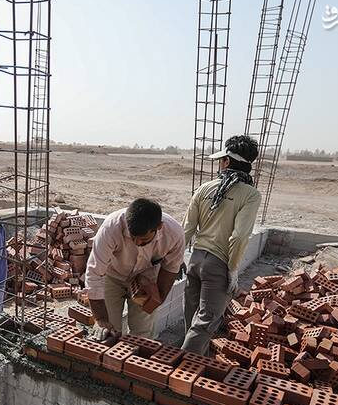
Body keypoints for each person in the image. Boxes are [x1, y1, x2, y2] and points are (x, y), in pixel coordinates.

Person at [181, 135, 261, 355]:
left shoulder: (204, 189)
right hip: (218, 265)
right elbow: (239, 237)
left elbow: (186, 229)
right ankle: (183, 368)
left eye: (221, 160)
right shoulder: (250, 195)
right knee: (206, 321)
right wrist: (233, 271)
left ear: (226, 161)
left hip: (195, 260)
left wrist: (179, 258)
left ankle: (195, 359)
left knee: (192, 315)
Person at [86, 198, 184, 341]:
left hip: (147, 281)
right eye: (133, 237)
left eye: (144, 239)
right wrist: (100, 319)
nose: (138, 243)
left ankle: (137, 360)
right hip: (113, 277)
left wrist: (156, 299)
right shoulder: (110, 228)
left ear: (159, 227)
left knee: (143, 334)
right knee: (109, 331)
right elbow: (94, 273)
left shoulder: (174, 234)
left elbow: (170, 269)